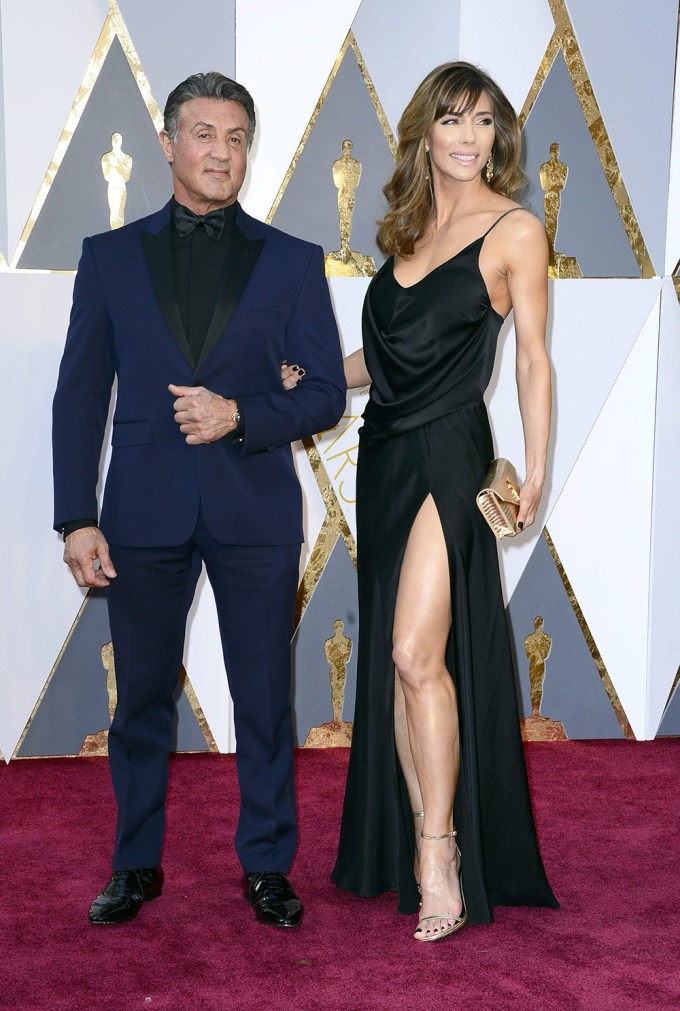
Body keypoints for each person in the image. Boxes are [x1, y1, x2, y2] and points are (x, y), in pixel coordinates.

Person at [52, 72, 346, 928]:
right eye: (206, 135)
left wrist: (243, 413)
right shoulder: (109, 259)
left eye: (239, 137)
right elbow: (80, 396)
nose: (224, 152)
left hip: (254, 508)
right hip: (140, 509)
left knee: (264, 696)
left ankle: (266, 865)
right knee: (140, 697)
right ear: (170, 144)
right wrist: (76, 515)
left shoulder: (293, 260)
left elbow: (325, 392)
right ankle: (135, 864)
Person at [327, 61, 558, 940]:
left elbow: (532, 357)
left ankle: (439, 853)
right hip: (385, 454)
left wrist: (534, 469)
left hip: (451, 455)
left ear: (498, 134)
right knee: (397, 660)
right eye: (453, 120)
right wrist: (313, 381)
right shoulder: (407, 226)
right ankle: (427, 838)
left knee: (417, 653)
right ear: (426, 131)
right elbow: (385, 363)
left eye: (484, 121)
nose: (469, 137)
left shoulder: (516, 231)